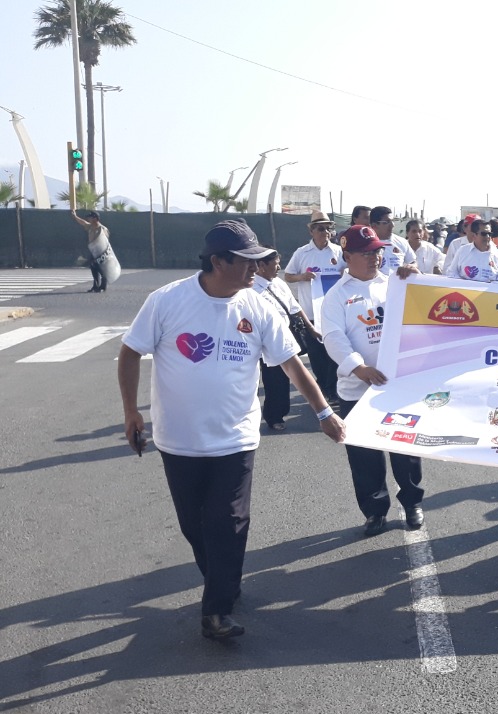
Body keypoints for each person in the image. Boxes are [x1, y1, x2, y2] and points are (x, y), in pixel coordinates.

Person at [118, 219, 345, 640]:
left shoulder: (258, 306)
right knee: (195, 526)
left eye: (258, 261)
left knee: (229, 521)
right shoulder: (167, 301)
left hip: (235, 438)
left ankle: (216, 610)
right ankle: (222, 581)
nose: (255, 269)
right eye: (246, 261)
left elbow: (292, 364)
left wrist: (323, 413)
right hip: (178, 439)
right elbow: (130, 351)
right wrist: (131, 411)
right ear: (218, 261)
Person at [322, 226, 426, 537]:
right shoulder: (336, 296)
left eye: (377, 251)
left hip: (398, 386)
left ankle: (412, 503)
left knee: (405, 449)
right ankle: (375, 510)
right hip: (357, 389)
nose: (375, 257)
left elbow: (424, 310)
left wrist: (418, 278)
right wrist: (359, 368)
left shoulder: (395, 284)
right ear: (347, 255)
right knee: (364, 456)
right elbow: (333, 337)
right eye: (366, 252)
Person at [254, 249, 319, 431]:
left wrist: (311, 328)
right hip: (264, 341)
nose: (279, 268)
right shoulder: (251, 288)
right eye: (275, 264)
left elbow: (294, 307)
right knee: (273, 380)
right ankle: (273, 416)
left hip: (285, 336)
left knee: (284, 378)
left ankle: (279, 413)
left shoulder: (278, 283)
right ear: (262, 265)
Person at [283, 210, 344, 401]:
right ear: (311, 231)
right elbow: (288, 276)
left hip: (334, 311)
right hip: (310, 313)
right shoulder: (302, 253)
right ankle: (323, 387)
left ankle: (331, 388)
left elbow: (348, 274)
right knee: (317, 355)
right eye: (320, 229)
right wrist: (302, 276)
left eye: (328, 228)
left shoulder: (338, 252)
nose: (325, 232)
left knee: (335, 351)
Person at [445, 218, 498, 283]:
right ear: (474, 235)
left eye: (489, 234)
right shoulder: (462, 251)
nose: (488, 237)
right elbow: (452, 272)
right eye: (484, 234)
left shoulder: (496, 254)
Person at [369, 206, 418, 276]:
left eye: (392, 221)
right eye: (387, 222)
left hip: (397, 282)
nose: (392, 225)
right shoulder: (366, 244)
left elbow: (413, 262)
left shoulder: (402, 242)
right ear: (374, 225)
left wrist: (410, 267)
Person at [71, 209, 111, 292]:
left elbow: (105, 242)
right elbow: (83, 222)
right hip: (93, 251)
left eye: (90, 217)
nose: (88, 219)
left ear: (95, 218)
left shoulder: (102, 229)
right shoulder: (90, 226)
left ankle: (103, 287)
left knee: (101, 269)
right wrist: (75, 216)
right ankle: (95, 286)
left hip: (100, 252)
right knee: (93, 268)